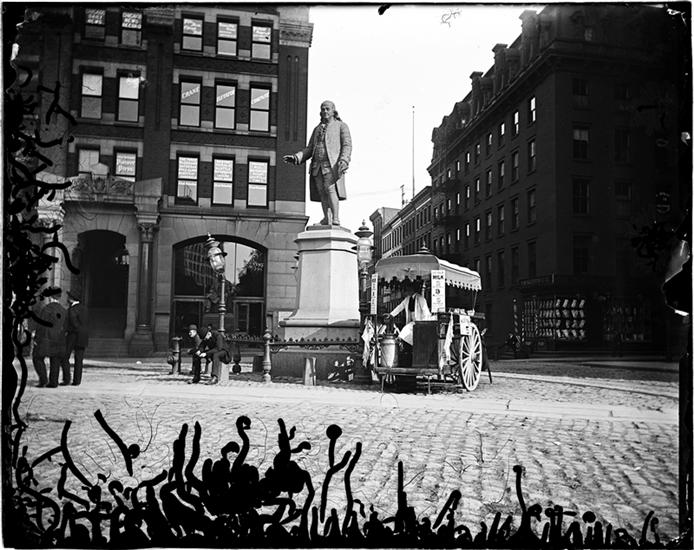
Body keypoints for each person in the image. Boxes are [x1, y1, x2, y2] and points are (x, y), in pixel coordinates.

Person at [283, 100, 352, 226]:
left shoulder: (341, 126)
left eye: (327, 109)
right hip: (316, 165)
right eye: (322, 109)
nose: (325, 111)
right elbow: (310, 148)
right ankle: (326, 218)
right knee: (321, 192)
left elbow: (347, 145)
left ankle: (335, 218)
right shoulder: (317, 129)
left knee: (330, 188)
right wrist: (297, 157)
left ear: (333, 111)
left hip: (332, 165)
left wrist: (344, 160)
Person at [31, 287, 67, 388]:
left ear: (50, 297)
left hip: (46, 338)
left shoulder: (47, 309)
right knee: (55, 360)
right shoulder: (64, 310)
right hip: (59, 338)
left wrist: (36, 338)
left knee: (37, 357)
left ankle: (43, 380)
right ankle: (53, 382)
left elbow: (41, 325)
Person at [62, 290, 88, 386]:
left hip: (73, 335)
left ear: (71, 299)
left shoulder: (72, 309)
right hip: (83, 336)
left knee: (64, 357)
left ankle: (66, 379)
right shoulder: (84, 308)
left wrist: (69, 330)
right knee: (79, 359)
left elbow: (73, 322)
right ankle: (77, 381)